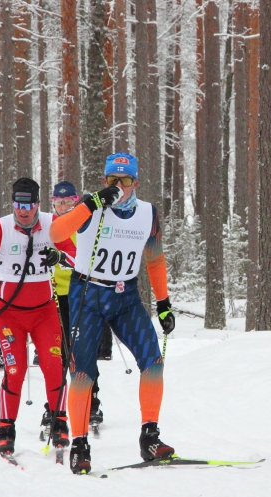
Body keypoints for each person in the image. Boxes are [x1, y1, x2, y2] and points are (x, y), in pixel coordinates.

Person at [50, 152, 175, 474]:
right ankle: (80, 444)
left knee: (153, 361)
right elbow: (56, 234)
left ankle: (150, 435)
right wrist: (92, 202)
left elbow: (155, 260)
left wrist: (163, 304)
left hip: (125, 295)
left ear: (136, 183)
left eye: (124, 180)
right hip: (86, 294)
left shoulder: (148, 213)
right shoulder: (90, 208)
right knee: (82, 372)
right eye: (111, 180)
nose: (118, 186)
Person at [0, 178, 77, 456]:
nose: (23, 210)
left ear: (38, 204)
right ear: (13, 204)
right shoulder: (1, 226)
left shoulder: (52, 223)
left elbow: (77, 256)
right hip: (10, 315)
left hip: (44, 313)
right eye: (18, 204)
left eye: (29, 204)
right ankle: (6, 428)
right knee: (14, 371)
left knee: (54, 366)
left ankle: (59, 421)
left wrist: (59, 257)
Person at [39, 181, 109, 438]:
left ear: (77, 202)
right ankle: (54, 407)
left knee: (82, 352)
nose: (64, 208)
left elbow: (88, 257)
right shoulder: (48, 228)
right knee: (56, 355)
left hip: (81, 296)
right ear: (53, 204)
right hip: (52, 298)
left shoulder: (83, 224)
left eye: (69, 203)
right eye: (59, 203)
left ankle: (92, 403)